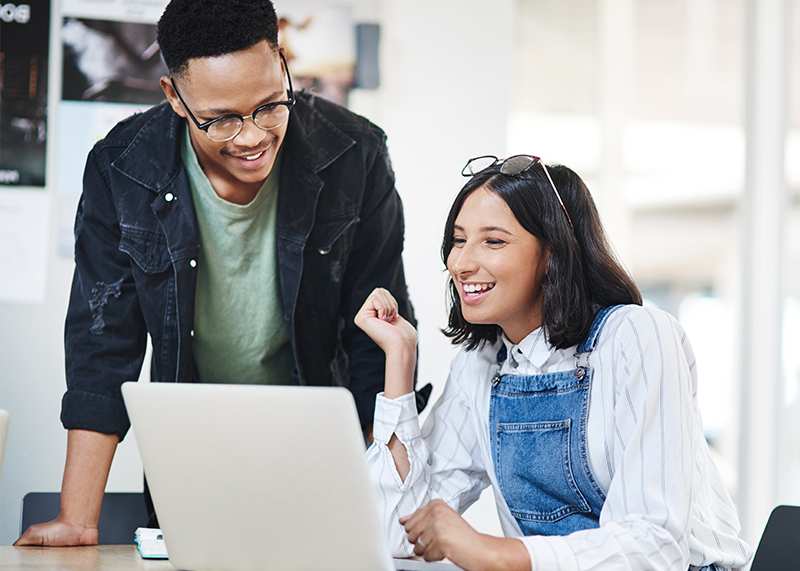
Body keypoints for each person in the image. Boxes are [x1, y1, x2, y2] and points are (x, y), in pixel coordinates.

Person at [16, 0, 423, 547]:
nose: (252, 137)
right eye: (222, 119)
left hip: (326, 459)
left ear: (281, 60)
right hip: (190, 466)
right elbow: (101, 349)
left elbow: (376, 340)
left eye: (269, 105)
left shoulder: (354, 153)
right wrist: (79, 519)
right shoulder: (123, 168)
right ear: (173, 97)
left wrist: (391, 513)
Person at [354, 155, 752, 570]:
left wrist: (493, 553)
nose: (461, 263)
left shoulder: (636, 336)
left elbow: (653, 545)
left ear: (552, 253)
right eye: (458, 240)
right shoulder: (481, 366)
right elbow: (396, 535)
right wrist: (399, 361)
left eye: (493, 241)